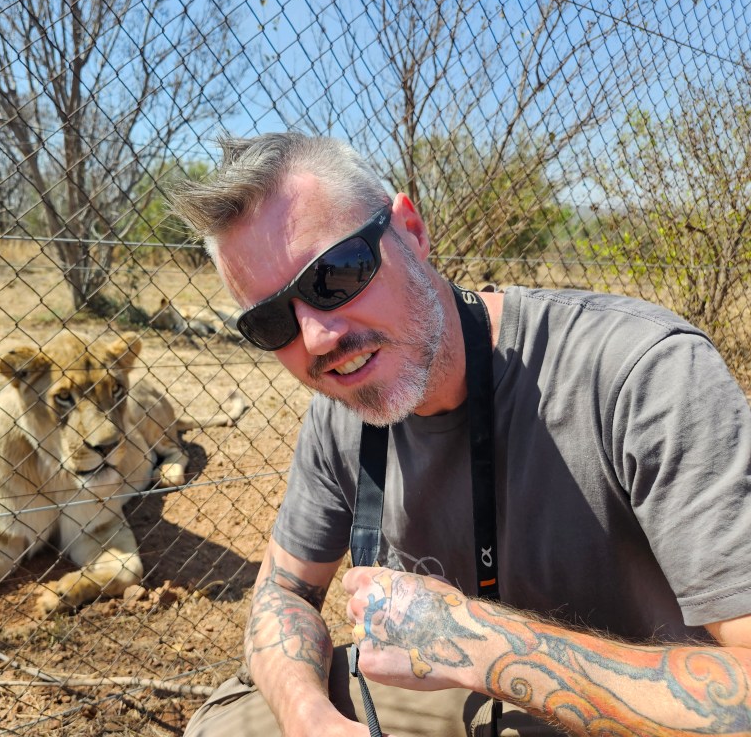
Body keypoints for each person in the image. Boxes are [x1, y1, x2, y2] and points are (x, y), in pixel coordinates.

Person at [165, 131, 751, 737]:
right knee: (228, 725)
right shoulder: (340, 411)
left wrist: (479, 643)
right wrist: (310, 720)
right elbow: (282, 595)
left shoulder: (643, 371)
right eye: (271, 321)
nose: (317, 338)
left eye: (335, 275)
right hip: (460, 694)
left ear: (411, 231)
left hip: (643, 711)